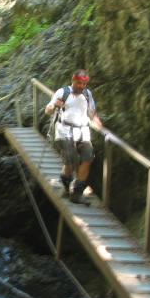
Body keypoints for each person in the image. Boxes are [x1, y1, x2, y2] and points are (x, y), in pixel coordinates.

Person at [45, 69, 103, 204]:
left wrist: (99, 124)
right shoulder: (63, 92)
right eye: (79, 83)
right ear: (73, 81)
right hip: (64, 131)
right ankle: (66, 184)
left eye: (84, 84)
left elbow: (92, 112)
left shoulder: (87, 94)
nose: (81, 86)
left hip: (83, 131)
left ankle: (76, 193)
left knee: (88, 157)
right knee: (72, 161)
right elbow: (48, 110)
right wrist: (54, 105)